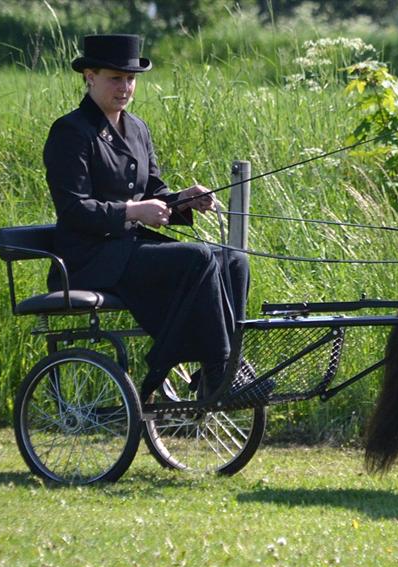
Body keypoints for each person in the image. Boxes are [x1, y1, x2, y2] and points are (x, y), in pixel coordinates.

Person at [43, 34, 249, 401]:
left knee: (234, 261)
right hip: (89, 258)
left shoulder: (137, 128)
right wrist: (132, 211)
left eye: (131, 80)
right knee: (198, 257)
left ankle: (222, 366)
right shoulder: (71, 132)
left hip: (131, 250)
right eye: (115, 78)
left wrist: (185, 199)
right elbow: (74, 209)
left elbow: (154, 190)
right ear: (89, 76)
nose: (125, 88)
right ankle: (216, 371)